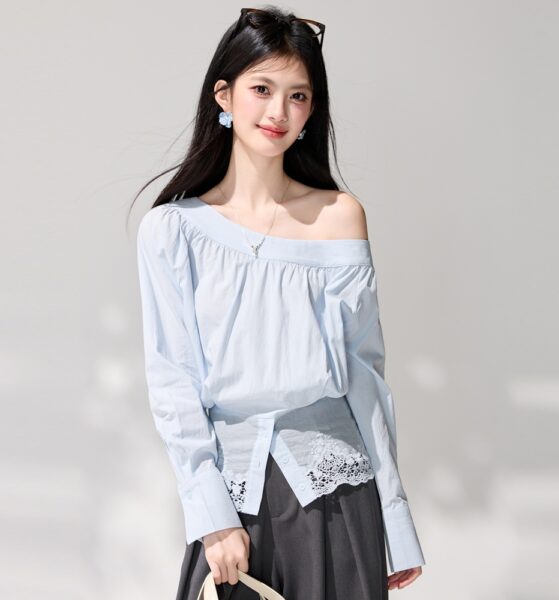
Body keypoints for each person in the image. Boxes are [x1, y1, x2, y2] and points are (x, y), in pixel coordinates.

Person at [135, 5, 425, 599]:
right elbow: (173, 380)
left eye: (298, 96)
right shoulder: (172, 230)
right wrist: (212, 518)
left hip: (337, 502)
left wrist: (395, 521)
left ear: (311, 110)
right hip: (233, 508)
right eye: (262, 89)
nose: (278, 112)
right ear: (224, 95)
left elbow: (366, 377)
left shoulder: (339, 217)